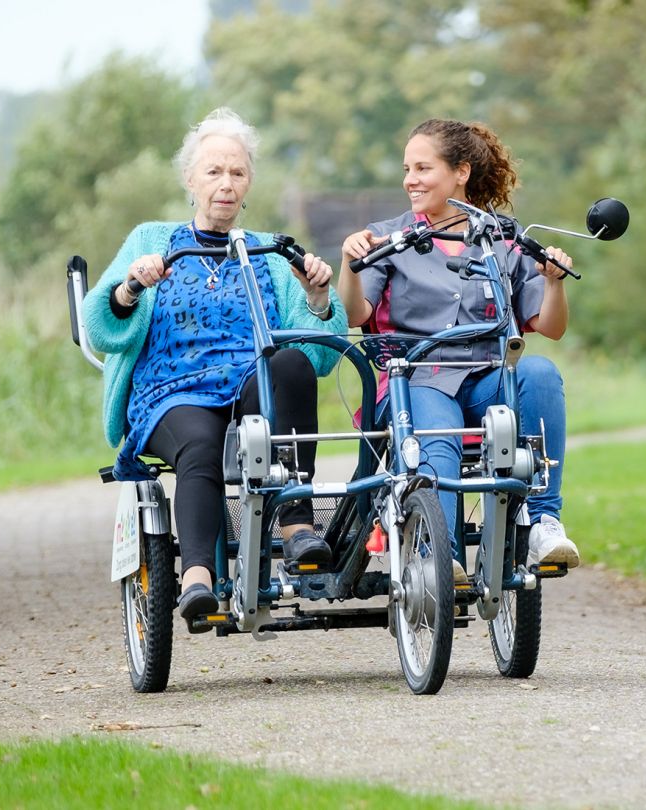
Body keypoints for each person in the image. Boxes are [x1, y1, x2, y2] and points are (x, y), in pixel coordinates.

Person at [83, 108, 348, 632]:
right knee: (201, 445)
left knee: (290, 362)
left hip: (251, 384)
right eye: (213, 172)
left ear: (249, 183)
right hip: (172, 390)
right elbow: (102, 326)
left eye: (237, 173)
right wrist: (131, 286)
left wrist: (319, 296)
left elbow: (320, 352)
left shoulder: (268, 250)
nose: (225, 184)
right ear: (190, 180)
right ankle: (198, 577)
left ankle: (297, 524)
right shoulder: (151, 239)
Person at [336, 118, 580, 576]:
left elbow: (550, 327)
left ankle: (544, 521)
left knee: (541, 372)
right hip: (413, 381)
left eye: (423, 168)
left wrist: (553, 284)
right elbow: (354, 315)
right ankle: (441, 561)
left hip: (485, 379)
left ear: (460, 173)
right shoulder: (387, 238)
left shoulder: (503, 239)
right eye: (407, 168)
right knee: (436, 428)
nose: (410, 179)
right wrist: (350, 268)